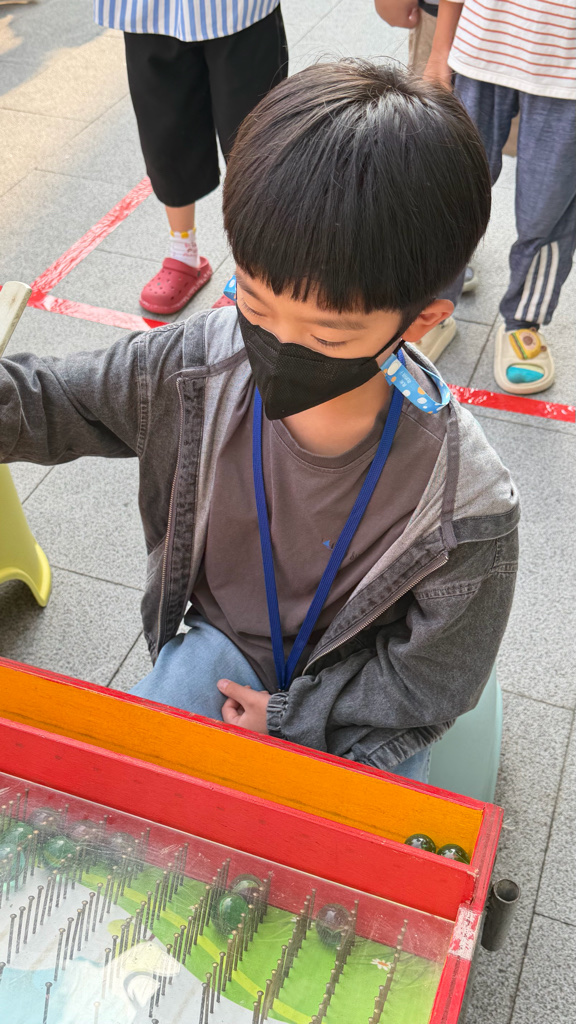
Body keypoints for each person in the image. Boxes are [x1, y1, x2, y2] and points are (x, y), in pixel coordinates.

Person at [0, 62, 519, 784]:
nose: (276, 345)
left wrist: (292, 718)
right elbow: (53, 400)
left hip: (356, 700)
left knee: (358, 845)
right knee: (121, 789)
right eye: (253, 301)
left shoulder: (468, 504)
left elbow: (429, 683)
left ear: (420, 321)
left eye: (327, 335)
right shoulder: (197, 366)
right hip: (227, 650)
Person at [94, 0, 288, 315]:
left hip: (240, 12)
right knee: (165, 134)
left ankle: (257, 267)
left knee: (254, 144)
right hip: (150, 12)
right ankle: (183, 251)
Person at [425, 0, 576, 394]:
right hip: (481, 46)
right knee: (450, 190)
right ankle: (429, 303)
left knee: (549, 210)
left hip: (569, 72)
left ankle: (523, 321)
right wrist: (440, 51)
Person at [373, 0, 478, 364]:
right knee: (429, 163)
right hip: (443, 20)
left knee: (456, 168)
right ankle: (445, 272)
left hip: (542, 41)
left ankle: (449, 270)